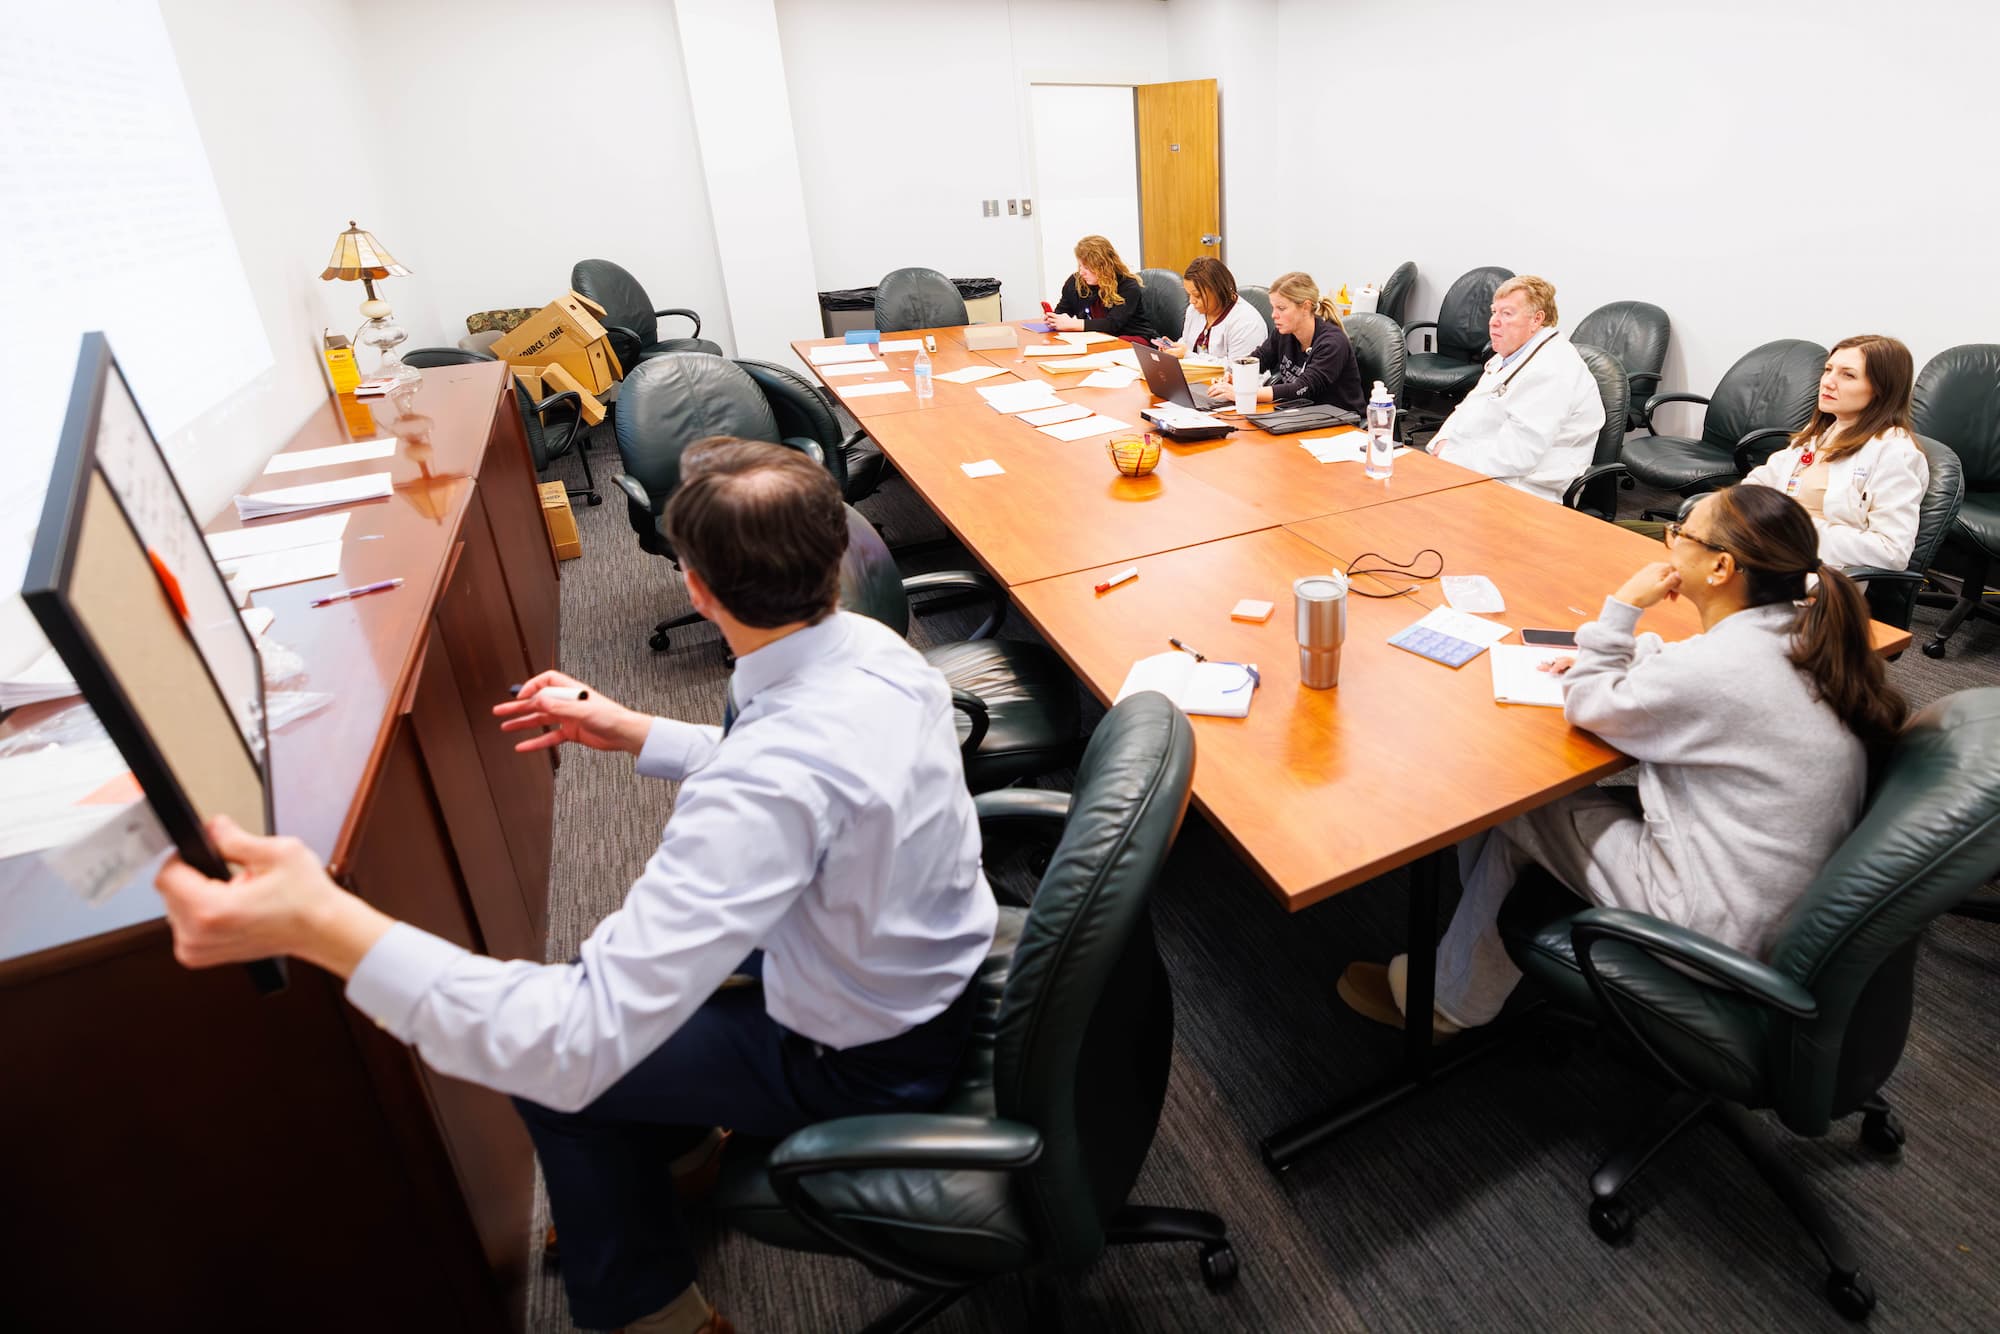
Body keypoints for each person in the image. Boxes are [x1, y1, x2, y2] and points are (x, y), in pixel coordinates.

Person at [151, 439, 997, 1334]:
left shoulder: (766, 785)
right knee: (617, 969)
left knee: (563, 1076)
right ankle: (679, 1151)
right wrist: (631, 729)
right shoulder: (872, 645)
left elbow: (570, 1039)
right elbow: (812, 781)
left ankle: (656, 1315)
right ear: (836, 558)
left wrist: (322, 922)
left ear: (695, 589)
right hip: (912, 964)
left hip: (869, 1061)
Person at [1337, 484, 1906, 1036]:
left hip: (1713, 921)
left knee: (1507, 801)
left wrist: (1623, 609)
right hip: (1770, 894)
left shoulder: (1720, 671)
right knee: (1540, 815)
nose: (1669, 540)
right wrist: (1631, 656)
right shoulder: (1800, 629)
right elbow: (1701, 666)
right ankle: (1477, 942)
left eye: (1682, 534)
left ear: (1721, 568)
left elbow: (1589, 704)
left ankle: (1449, 1005)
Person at [1742, 334, 1930, 572]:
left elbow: (1892, 551)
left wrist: (1795, 529)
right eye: (1828, 369)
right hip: (1769, 551)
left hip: (1818, 573)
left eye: (1847, 375)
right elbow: (1763, 480)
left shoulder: (1895, 452)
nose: (1828, 382)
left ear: (1881, 389)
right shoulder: (1821, 431)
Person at [1425, 275, 1604, 502]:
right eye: (1493, 312)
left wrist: (1450, 454)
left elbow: (1519, 455)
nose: (1493, 321)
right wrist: (1442, 443)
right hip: (1480, 468)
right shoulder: (1509, 355)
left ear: (1536, 320)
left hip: (1527, 488)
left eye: (1507, 313)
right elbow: (1468, 408)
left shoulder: (1552, 369)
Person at [1250, 270, 1367, 414]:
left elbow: (1303, 388)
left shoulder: (1332, 342)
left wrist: (1245, 394)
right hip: (1301, 415)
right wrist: (1234, 375)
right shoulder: (1284, 332)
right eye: (1273, 308)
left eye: (1281, 308)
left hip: (1340, 423)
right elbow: (1258, 359)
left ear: (1305, 307)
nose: (1274, 315)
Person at [1050, 234, 1157, 342]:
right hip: (1097, 339)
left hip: (1132, 338)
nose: (1081, 272)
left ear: (1104, 266)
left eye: (1087, 267)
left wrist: (1073, 324)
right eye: (1080, 265)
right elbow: (1062, 312)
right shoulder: (1075, 282)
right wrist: (1053, 319)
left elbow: (1112, 324)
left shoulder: (1127, 286)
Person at [1160, 256, 1266, 362]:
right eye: (1189, 295)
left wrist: (1187, 356)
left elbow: (1237, 368)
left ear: (1218, 290)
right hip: (1198, 376)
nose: (1191, 301)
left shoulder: (1246, 322)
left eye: (1197, 295)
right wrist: (1174, 349)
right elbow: (1188, 342)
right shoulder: (1194, 310)